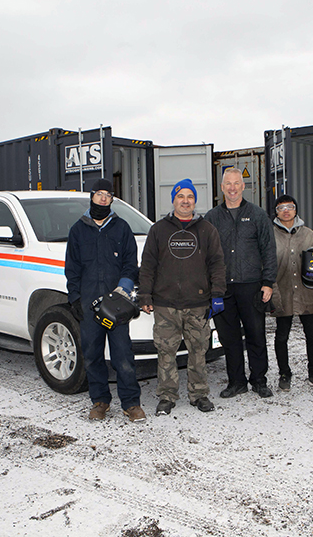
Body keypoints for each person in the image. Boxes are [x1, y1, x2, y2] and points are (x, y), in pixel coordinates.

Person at [139, 179, 227, 415]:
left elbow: (217, 263)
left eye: (190, 196)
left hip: (197, 304)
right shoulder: (159, 230)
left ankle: (199, 394)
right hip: (165, 304)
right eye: (181, 196)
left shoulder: (207, 230)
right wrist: (145, 294)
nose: (185, 201)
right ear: (174, 200)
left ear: (195, 201)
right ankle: (167, 396)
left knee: (198, 351)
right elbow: (147, 264)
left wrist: (218, 294)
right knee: (165, 352)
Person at [65, 178, 146, 422]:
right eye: (99, 194)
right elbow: (72, 268)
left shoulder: (121, 228)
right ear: (91, 196)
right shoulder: (78, 230)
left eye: (108, 195)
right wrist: (75, 299)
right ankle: (100, 401)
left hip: (116, 305)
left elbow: (131, 264)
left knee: (123, 354)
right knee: (92, 354)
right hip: (89, 305)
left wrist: (123, 289)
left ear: (112, 199)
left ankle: (131, 403)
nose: (103, 198)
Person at [204, 168, 278, 398]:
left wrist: (268, 282)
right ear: (222, 187)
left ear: (243, 186)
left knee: (256, 334)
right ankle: (236, 382)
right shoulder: (212, 217)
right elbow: (205, 253)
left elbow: (269, 250)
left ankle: (259, 380)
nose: (232, 188)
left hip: (251, 285)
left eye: (237, 183)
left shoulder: (257, 215)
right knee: (230, 338)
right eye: (228, 184)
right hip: (223, 287)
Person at [271, 194, 313, 392]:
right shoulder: (270, 235)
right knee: (281, 336)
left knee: (312, 335)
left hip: (307, 294)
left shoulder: (309, 235)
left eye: (290, 206)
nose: (286, 210)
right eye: (281, 207)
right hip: (283, 293)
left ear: (296, 210)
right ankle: (284, 374)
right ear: (276, 212)